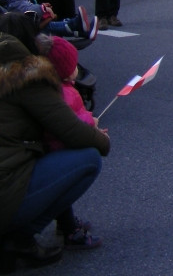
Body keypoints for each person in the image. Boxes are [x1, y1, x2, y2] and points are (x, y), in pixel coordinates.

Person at [0, 20, 110, 269]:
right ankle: (18, 241)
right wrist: (102, 140)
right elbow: (70, 131)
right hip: (4, 190)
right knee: (87, 158)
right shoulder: (22, 75)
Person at [42, 36, 103, 249]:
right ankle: (69, 230)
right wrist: (90, 123)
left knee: (63, 194)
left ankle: (66, 223)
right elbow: (72, 123)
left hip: (58, 149)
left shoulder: (59, 89)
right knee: (66, 187)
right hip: (61, 149)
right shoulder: (63, 93)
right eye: (74, 65)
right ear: (66, 70)